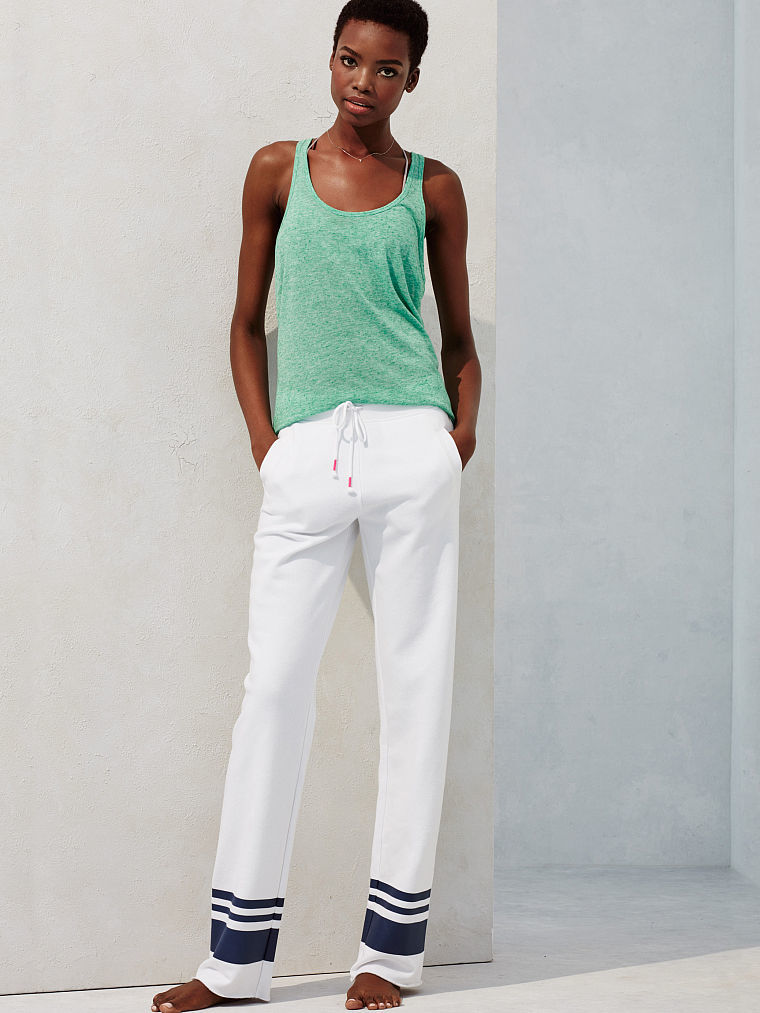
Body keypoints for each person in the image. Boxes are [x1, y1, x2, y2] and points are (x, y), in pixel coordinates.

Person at [151, 2, 480, 1010]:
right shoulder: (275, 171)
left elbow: (459, 339)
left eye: (387, 69)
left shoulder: (432, 188)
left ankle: (390, 953)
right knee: (273, 693)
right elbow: (245, 321)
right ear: (330, 60)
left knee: (414, 690)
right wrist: (269, 443)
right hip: (305, 453)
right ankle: (235, 961)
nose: (362, 82)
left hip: (410, 446)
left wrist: (454, 438)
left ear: (411, 80)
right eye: (349, 59)